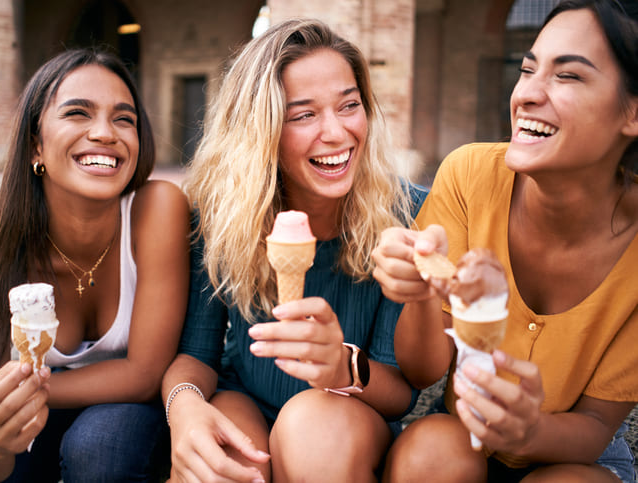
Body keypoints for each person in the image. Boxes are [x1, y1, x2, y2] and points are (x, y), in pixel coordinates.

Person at [371, 0, 638, 481]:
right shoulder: (469, 174)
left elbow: (597, 424)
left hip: (574, 456)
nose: (527, 94)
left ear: (633, 112)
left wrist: (530, 432)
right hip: (459, 434)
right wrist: (424, 293)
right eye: (527, 69)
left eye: (569, 76)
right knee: (431, 453)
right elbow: (422, 371)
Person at [161, 18, 428, 483]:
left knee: (312, 428)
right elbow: (196, 353)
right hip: (245, 398)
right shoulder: (220, 216)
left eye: (349, 106)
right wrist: (183, 406)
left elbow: (401, 393)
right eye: (303, 115)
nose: (336, 133)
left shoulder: (406, 214)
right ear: (261, 131)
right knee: (219, 468)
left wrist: (340, 364)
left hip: (350, 413)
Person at [0, 48, 190, 482]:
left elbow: (145, 374)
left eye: (124, 118)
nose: (105, 133)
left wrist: (29, 392)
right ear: (35, 144)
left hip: (127, 418)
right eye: (78, 113)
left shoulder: (158, 209)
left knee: (101, 446)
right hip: (36, 424)